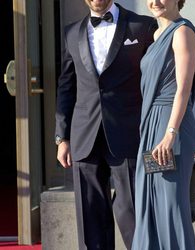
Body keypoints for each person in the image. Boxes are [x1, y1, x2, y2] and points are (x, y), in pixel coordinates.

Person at [55, 0, 157, 249]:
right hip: (84, 135)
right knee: (90, 215)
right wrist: (62, 138)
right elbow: (66, 87)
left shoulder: (142, 26)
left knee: (132, 211)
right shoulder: (71, 32)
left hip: (130, 135)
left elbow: (155, 81)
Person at [132, 0, 195, 249]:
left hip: (171, 127)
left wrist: (170, 134)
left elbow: (183, 89)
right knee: (150, 201)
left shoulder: (182, 32)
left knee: (170, 205)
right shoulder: (156, 34)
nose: (155, 2)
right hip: (152, 125)